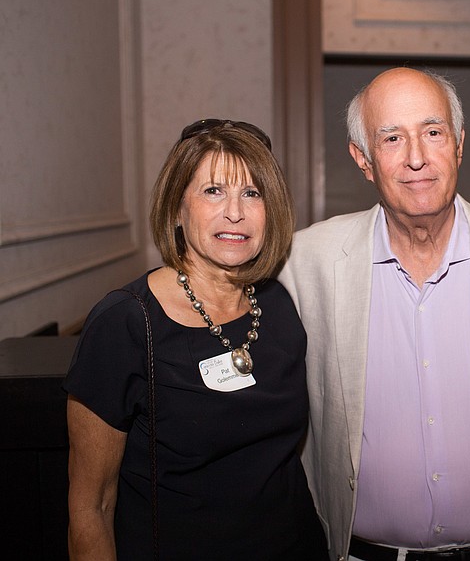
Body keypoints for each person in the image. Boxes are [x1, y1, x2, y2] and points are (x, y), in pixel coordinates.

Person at [279, 67, 470, 560]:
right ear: (363, 159)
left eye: (432, 132)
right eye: (392, 138)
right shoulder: (304, 264)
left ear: (458, 144)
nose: (417, 157)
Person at [64, 119, 327, 559]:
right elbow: (92, 508)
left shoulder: (280, 304)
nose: (235, 212)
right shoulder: (125, 324)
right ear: (176, 208)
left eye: (252, 193)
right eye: (213, 191)